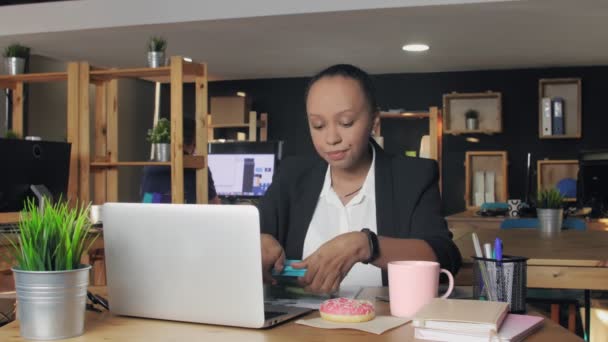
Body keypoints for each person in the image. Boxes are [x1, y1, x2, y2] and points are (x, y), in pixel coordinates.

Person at [258, 64, 461, 294]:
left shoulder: (412, 176)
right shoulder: (292, 175)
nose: (331, 138)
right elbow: (250, 239)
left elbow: (446, 257)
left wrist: (366, 245)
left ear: (374, 121)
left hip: (388, 325)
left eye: (346, 122)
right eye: (318, 125)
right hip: (298, 327)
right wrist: (258, 243)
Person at [141, 117, 221, 204]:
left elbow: (148, 202)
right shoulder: (198, 166)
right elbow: (214, 205)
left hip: (160, 216)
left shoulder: (152, 167)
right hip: (188, 216)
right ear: (195, 142)